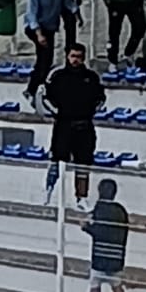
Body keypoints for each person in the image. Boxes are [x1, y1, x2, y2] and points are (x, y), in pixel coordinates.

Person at [42, 42, 104, 207]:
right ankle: (48, 193)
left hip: (85, 126)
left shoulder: (92, 77)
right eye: (73, 56)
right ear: (67, 56)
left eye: (79, 57)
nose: (76, 60)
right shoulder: (57, 76)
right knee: (56, 161)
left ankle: (81, 198)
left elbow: (100, 99)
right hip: (63, 126)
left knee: (83, 164)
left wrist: (90, 112)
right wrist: (58, 112)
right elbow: (46, 98)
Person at [23, 0, 77, 106]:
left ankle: (37, 87)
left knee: (46, 59)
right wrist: (39, 34)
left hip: (50, 27)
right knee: (44, 58)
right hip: (36, 28)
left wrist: (77, 13)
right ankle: (33, 89)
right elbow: (32, 15)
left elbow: (69, 3)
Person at [80, 178, 130, 292]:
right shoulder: (121, 210)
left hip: (101, 253)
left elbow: (98, 231)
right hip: (117, 253)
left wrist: (85, 226)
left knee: (95, 282)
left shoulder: (99, 208)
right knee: (116, 283)